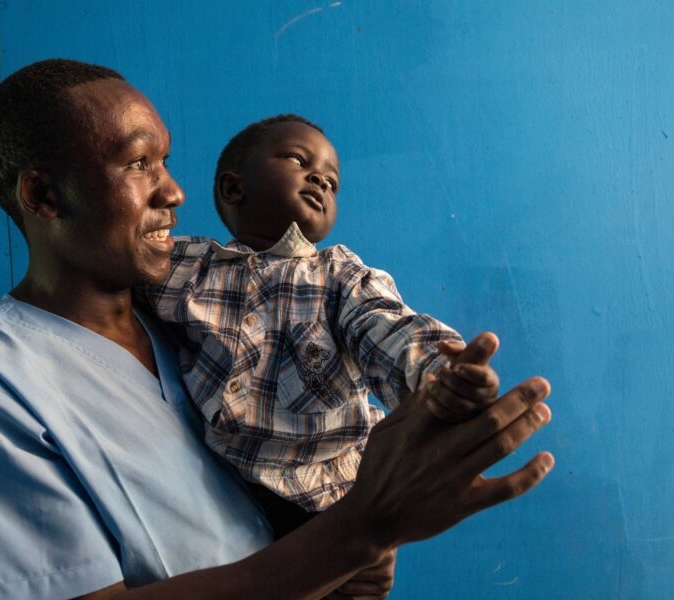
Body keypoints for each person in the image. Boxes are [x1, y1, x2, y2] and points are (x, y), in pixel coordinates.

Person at [0, 58, 555, 600]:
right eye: (138, 165)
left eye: (166, 161)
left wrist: (355, 536)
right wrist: (364, 526)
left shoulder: (193, 325)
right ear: (44, 197)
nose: (174, 192)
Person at [141, 114, 501, 536]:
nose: (320, 181)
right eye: (299, 161)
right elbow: (118, 277)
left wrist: (439, 373)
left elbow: (386, 326)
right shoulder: (187, 265)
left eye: (331, 182)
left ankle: (359, 565)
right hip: (215, 486)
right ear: (233, 187)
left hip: (324, 496)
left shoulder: (339, 278)